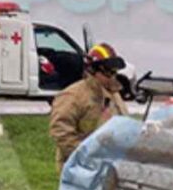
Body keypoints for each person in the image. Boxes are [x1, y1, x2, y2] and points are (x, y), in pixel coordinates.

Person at [49, 43, 129, 172]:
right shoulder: (72, 96)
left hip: (109, 167)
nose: (112, 76)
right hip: (79, 169)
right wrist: (87, 155)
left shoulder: (114, 94)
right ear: (93, 70)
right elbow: (61, 132)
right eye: (108, 72)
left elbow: (123, 123)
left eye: (114, 72)